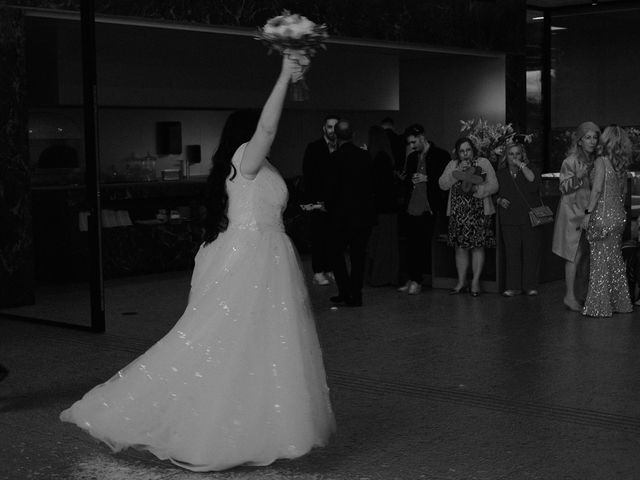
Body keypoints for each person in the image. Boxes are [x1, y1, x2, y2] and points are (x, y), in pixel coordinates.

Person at [60, 52, 335, 472]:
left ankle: (248, 428)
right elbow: (267, 125)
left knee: (252, 348)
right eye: (261, 130)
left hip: (264, 259)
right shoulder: (247, 156)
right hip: (252, 260)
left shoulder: (254, 167)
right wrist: (283, 76)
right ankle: (182, 424)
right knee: (220, 343)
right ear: (246, 135)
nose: (269, 135)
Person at [581, 125, 634, 317]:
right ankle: (620, 303)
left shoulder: (601, 161)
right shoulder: (620, 166)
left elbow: (596, 190)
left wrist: (588, 213)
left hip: (602, 216)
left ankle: (599, 306)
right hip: (618, 217)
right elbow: (623, 193)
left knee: (599, 264)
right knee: (615, 262)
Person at [439, 137, 498, 296]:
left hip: (479, 212)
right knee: (460, 248)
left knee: (478, 247)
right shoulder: (453, 165)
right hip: (458, 214)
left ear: (473, 150)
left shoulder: (483, 163)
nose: (465, 154)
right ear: (458, 153)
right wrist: (456, 174)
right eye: (462, 151)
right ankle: (461, 282)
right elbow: (442, 184)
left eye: (468, 150)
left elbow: (494, 185)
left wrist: (479, 191)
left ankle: (475, 283)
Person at [327, 119, 376, 307]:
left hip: (340, 216)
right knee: (358, 257)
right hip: (363, 215)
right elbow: (372, 184)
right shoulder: (365, 156)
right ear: (354, 135)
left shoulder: (333, 159)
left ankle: (344, 290)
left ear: (336, 136)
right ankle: (356, 294)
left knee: (335, 254)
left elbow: (330, 190)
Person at [552, 121, 600, 311]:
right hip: (572, 212)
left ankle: (583, 294)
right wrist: (578, 177)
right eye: (588, 137)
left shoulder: (596, 160)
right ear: (580, 141)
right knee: (573, 254)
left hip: (589, 211)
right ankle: (569, 296)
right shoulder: (570, 161)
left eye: (595, 137)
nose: (592, 141)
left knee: (587, 255)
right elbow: (563, 187)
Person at [397, 124, 450, 294]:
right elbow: (406, 180)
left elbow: (446, 181)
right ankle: (413, 278)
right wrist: (409, 180)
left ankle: (417, 280)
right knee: (410, 244)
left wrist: (428, 178)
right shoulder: (412, 157)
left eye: (413, 142)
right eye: (410, 143)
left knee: (421, 244)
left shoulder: (441, 155)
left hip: (429, 206)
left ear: (422, 137)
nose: (412, 146)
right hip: (412, 205)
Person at [495, 143, 542, 296]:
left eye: (517, 154)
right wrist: (499, 200)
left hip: (529, 217)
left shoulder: (530, 169)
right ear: (506, 156)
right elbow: (493, 192)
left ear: (522, 155)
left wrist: (522, 166)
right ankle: (513, 286)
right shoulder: (501, 173)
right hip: (509, 219)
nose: (514, 157)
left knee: (530, 252)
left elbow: (534, 184)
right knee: (512, 253)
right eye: (511, 154)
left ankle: (530, 286)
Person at [302, 115, 339, 286]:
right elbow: (308, 175)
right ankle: (318, 271)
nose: (332, 130)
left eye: (335, 127)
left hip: (336, 200)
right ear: (324, 128)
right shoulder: (314, 147)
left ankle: (331, 268)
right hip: (318, 199)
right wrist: (313, 201)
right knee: (318, 236)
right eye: (329, 127)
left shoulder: (342, 147)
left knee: (334, 236)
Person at [365, 125, 400, 286]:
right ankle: (386, 276)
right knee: (387, 245)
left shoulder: (377, 158)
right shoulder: (386, 157)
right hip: (389, 208)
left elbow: (374, 185)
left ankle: (379, 277)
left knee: (378, 246)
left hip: (380, 208)